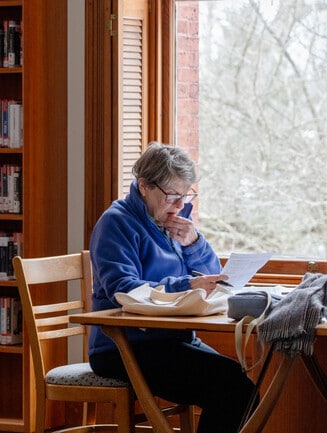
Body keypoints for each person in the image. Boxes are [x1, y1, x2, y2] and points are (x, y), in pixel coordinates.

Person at [88, 142, 257, 433]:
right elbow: (124, 289)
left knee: (242, 387)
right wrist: (187, 284)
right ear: (143, 186)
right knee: (231, 388)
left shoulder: (170, 221)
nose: (179, 205)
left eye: (186, 195)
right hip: (124, 346)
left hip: (172, 339)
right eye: (172, 196)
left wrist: (194, 244)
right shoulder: (116, 224)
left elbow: (214, 277)